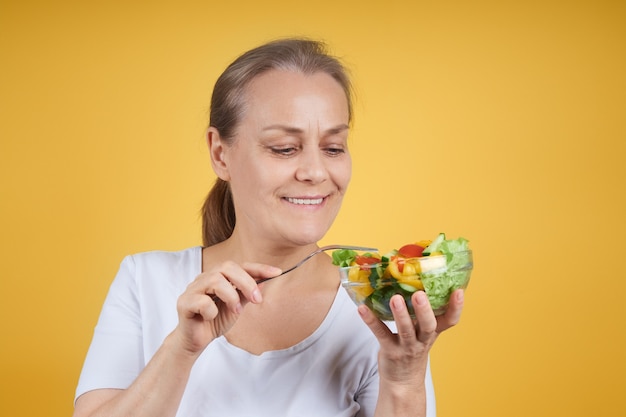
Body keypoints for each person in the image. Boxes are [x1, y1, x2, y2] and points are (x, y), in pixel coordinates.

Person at [73, 38, 464, 417]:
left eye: (333, 148)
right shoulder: (145, 282)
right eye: (284, 148)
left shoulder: (379, 305)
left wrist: (404, 380)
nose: (315, 172)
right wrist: (181, 350)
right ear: (219, 153)